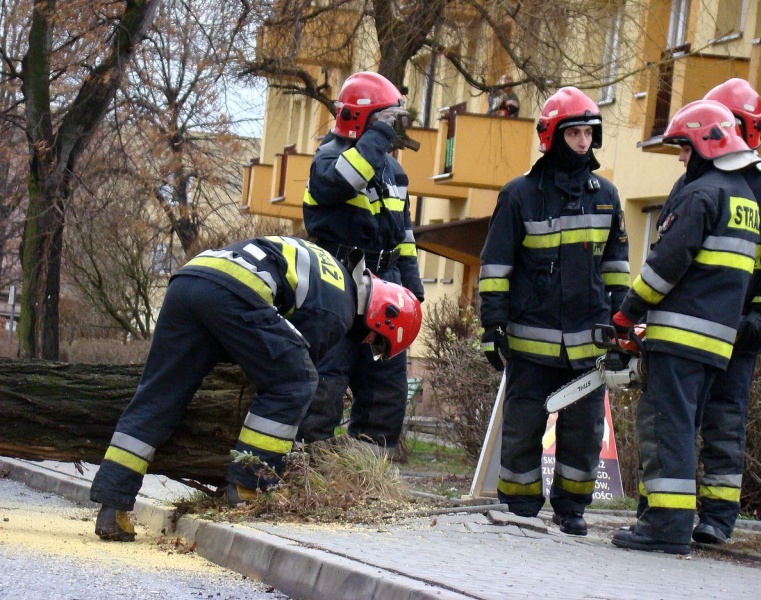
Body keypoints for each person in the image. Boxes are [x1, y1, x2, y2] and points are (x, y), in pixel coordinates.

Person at [89, 236, 422, 541]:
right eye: (376, 339)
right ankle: (249, 485)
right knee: (296, 381)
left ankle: (113, 504)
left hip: (190, 281)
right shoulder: (339, 311)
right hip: (237, 291)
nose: (366, 343)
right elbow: (294, 375)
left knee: (159, 396)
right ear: (382, 315)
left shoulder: (333, 276)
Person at [611, 99, 761, 555]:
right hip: (718, 342)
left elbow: (666, 264)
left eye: (683, 149)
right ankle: (663, 520)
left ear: (704, 144)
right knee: (686, 428)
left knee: (667, 428)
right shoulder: (747, 200)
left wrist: (627, 311)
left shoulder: (701, 195)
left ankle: (666, 528)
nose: (680, 159)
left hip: (679, 338)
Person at [478, 87, 630, 535]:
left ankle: (572, 509)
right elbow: (496, 266)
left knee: (584, 431)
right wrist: (492, 326)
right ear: (552, 135)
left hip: (589, 343)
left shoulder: (607, 196)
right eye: (575, 133)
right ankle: (521, 506)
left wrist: (621, 328)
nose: (583, 142)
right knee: (524, 424)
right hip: (530, 339)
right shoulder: (518, 195)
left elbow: (617, 270)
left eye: (588, 133)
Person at [691, 79, 761, 544]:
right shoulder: (699, 176)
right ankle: (662, 510)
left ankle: (716, 518)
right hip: (694, 320)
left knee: (724, 422)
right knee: (678, 420)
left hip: (739, 325)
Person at [297, 71, 425, 456]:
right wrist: (378, 137)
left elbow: (404, 236)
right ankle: (307, 467)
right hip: (338, 281)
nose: (392, 132)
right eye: (387, 121)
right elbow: (341, 182)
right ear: (363, 120)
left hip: (385, 285)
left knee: (386, 388)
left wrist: (412, 289)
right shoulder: (328, 160)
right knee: (326, 381)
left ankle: (369, 472)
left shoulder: (394, 172)